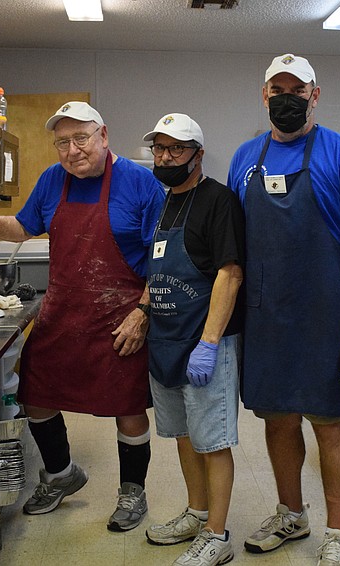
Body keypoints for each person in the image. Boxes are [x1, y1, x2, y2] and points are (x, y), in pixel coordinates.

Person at [0, 101, 165, 532]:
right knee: (36, 395)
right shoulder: (51, 181)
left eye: (81, 138)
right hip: (62, 311)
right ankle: (61, 474)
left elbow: (163, 257)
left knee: (128, 407)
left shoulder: (141, 184)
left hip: (120, 315)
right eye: (62, 142)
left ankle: (132, 492)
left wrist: (143, 313)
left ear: (103, 135)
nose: (72, 150)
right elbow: (24, 228)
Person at [226, 54, 340, 566]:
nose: (287, 98)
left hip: (325, 314)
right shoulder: (244, 158)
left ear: (315, 95)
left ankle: (337, 535)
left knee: (331, 424)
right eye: (278, 89)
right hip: (265, 316)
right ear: (264, 94)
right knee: (277, 421)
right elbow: (232, 242)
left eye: (298, 89)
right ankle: (291, 512)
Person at [139, 113, 244, 566]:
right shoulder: (164, 202)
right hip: (166, 341)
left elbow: (230, 272)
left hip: (205, 345)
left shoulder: (218, 200)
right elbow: (157, 268)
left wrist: (209, 343)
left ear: (198, 155)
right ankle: (196, 512)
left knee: (212, 441)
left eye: (175, 150)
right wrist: (143, 311)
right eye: (159, 149)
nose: (165, 158)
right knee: (183, 436)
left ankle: (217, 535)